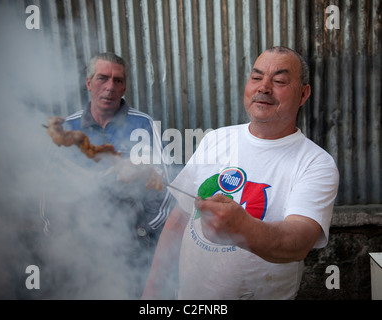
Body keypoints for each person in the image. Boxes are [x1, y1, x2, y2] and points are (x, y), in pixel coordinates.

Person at [141, 46, 339, 300]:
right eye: (256, 78)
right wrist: (153, 289)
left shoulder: (315, 163)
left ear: (303, 94)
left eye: (279, 81)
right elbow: (180, 217)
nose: (263, 87)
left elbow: (298, 242)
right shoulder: (215, 139)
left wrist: (242, 228)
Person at [40, 52, 173, 299]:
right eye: (103, 78)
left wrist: (145, 230)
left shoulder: (142, 124)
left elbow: (164, 185)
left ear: (124, 87)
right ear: (89, 83)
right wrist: (60, 238)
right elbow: (48, 190)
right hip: (78, 243)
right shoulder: (68, 128)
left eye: (118, 80)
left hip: (132, 244)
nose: (110, 87)